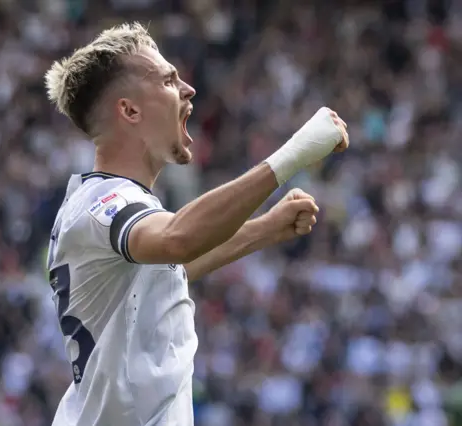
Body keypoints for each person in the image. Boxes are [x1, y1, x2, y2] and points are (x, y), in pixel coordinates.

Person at [44, 22, 349, 426]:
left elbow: (170, 270)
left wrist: (264, 229)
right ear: (130, 110)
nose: (188, 89)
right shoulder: (104, 201)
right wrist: (293, 155)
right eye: (169, 80)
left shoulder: (104, 204)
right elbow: (177, 241)